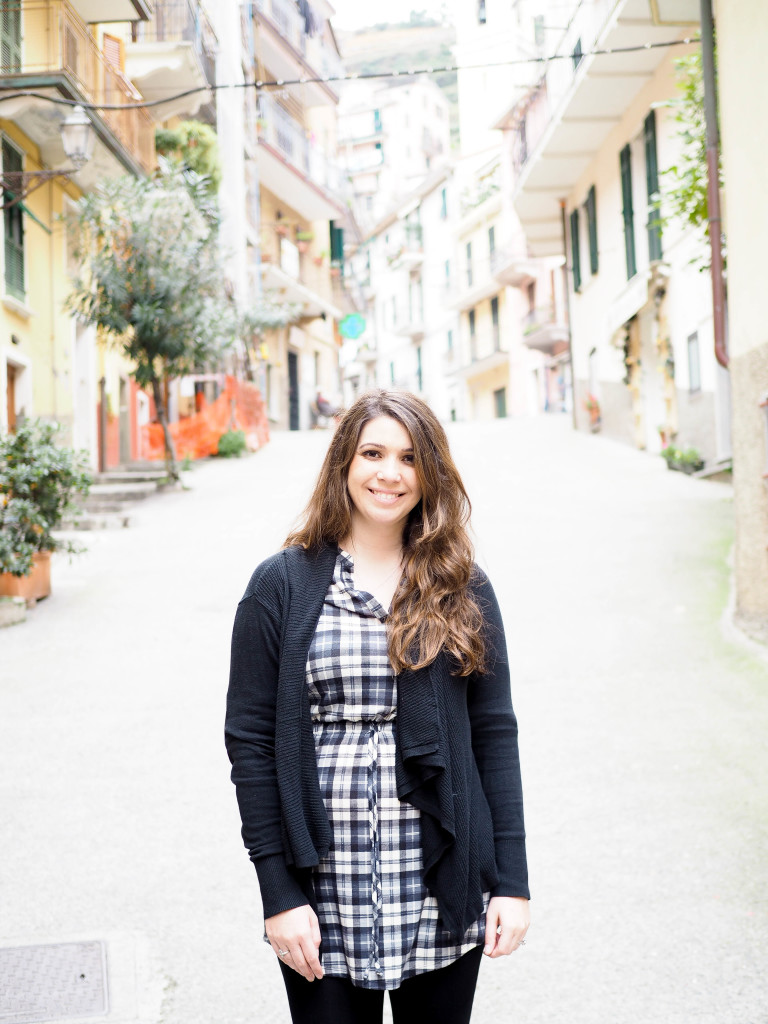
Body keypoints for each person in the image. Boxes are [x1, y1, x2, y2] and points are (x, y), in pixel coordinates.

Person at [225, 389, 529, 1024]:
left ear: (430, 474)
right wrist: (278, 892)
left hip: (438, 875)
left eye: (410, 458)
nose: (390, 473)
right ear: (343, 463)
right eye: (372, 453)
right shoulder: (278, 585)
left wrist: (512, 882)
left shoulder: (463, 586)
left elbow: (493, 735)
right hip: (322, 887)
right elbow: (251, 743)